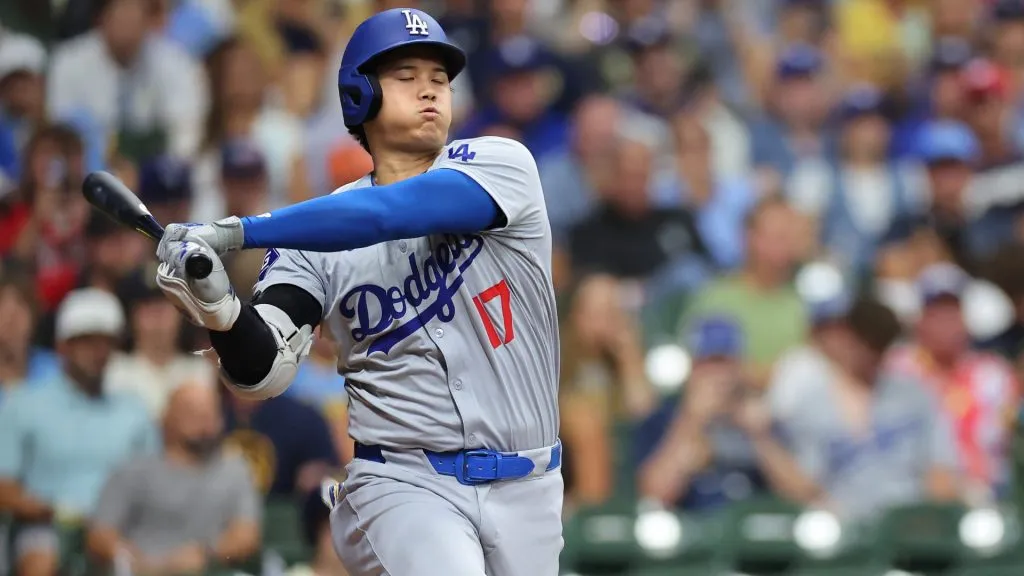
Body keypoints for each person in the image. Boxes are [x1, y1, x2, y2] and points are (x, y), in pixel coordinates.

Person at [151, 8, 562, 576]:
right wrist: (220, 308)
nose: (429, 91)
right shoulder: (311, 240)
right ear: (359, 95)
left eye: (440, 79)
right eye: (406, 76)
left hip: (531, 484)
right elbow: (262, 372)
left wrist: (239, 231)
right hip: (402, 481)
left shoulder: (500, 163)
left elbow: (390, 212)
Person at [0, 288, 157, 576]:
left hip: (122, 530)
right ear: (63, 346)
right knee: (39, 561)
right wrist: (46, 509)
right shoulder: (24, 404)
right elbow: (4, 484)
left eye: (106, 342)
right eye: (87, 342)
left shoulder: (133, 408)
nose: (98, 352)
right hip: (48, 526)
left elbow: (156, 479)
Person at [87, 382, 261, 574]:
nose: (205, 422)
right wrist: (139, 562)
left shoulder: (234, 470)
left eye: (211, 413)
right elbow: (100, 535)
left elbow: (246, 535)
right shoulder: (133, 469)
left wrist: (205, 555)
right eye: (192, 412)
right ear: (166, 417)